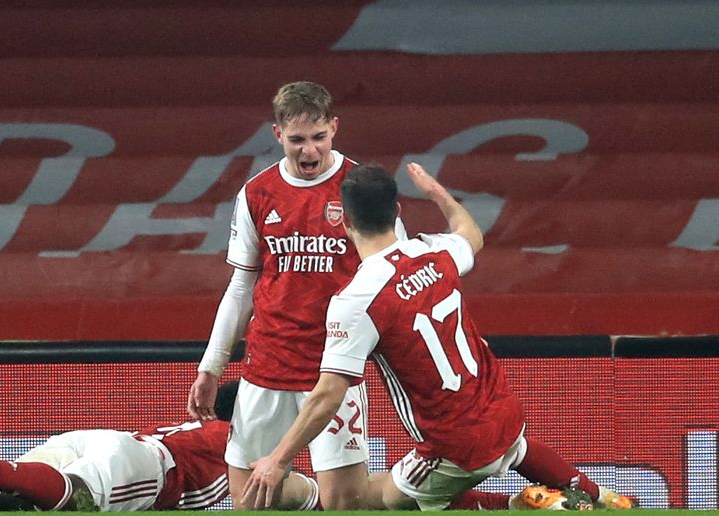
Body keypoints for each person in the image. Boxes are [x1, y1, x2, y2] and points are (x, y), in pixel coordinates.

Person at [240, 163, 634, 511]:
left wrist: (277, 459)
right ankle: (601, 499)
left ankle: (520, 507)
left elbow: (327, 394)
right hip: (503, 409)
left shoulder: (357, 298)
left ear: (344, 222)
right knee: (516, 447)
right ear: (397, 212)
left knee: (377, 499)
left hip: (451, 445)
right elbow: (471, 233)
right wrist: (439, 194)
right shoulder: (435, 251)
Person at [187, 80, 406, 510]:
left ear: (335, 129)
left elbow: (397, 277)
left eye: (319, 138)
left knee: (347, 504)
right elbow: (241, 286)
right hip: (267, 365)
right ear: (277, 135)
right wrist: (211, 364)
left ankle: (330, 495)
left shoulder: (359, 190)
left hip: (334, 368)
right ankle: (308, 496)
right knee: (249, 502)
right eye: (298, 140)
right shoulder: (257, 193)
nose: (309, 152)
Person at [0, 381, 319, 513]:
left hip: (100, 441)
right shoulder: (242, 443)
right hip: (147, 468)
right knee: (79, 501)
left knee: (10, 504)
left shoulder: (198, 429)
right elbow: (283, 487)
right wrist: (324, 497)